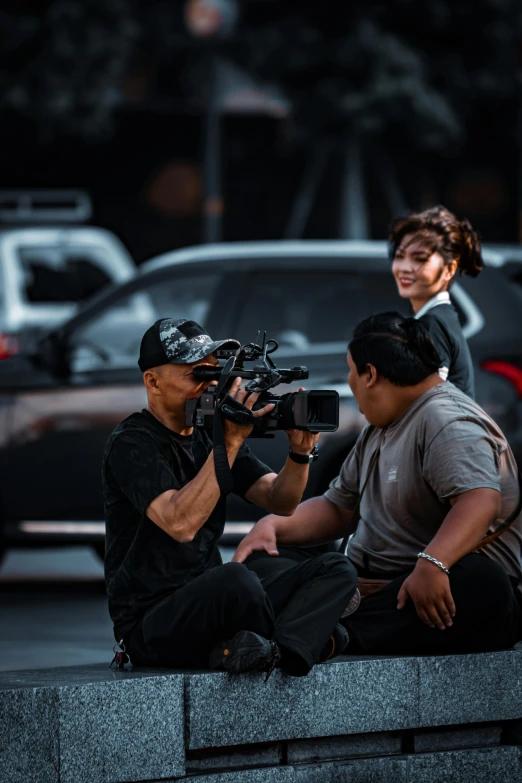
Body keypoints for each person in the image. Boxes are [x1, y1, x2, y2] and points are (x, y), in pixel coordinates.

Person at [234, 313, 522, 656]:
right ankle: (311, 623)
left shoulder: (448, 420)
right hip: (359, 587)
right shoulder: (381, 425)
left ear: (370, 374)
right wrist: (273, 527)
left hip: (422, 590)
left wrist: (434, 563)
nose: (350, 381)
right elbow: (339, 508)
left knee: (482, 584)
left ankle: (328, 633)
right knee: (267, 558)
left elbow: (480, 501)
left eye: (351, 371)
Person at [102, 317, 357, 677]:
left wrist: (299, 454)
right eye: (197, 376)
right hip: (151, 622)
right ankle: (305, 639)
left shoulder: (210, 433)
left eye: (214, 374)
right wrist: (231, 441)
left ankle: (278, 651)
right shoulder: (133, 441)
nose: (210, 386)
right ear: (153, 382)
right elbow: (181, 524)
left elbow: (279, 501)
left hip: (215, 603)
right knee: (236, 579)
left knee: (335, 567)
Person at [390, 205, 484, 398]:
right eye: (400, 256)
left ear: (449, 269)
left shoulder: (432, 323)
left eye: (420, 259)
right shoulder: (439, 317)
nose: (405, 268)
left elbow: (429, 403)